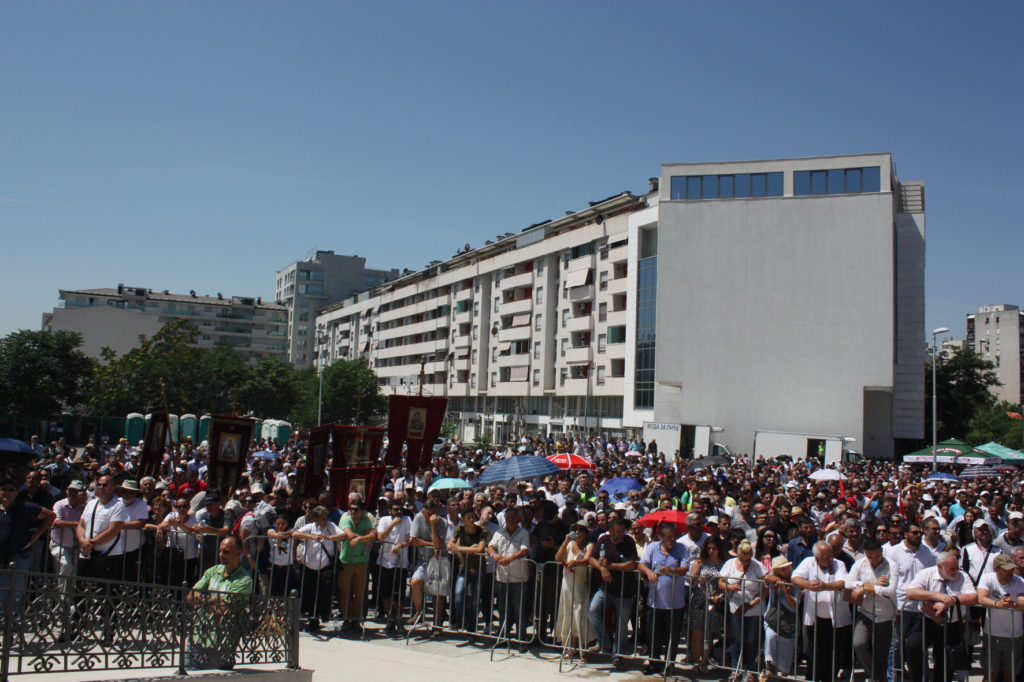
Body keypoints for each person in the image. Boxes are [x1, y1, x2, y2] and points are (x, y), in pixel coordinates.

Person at [905, 551, 978, 682]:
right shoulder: (926, 573)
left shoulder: (962, 576)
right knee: (913, 646)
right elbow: (911, 592)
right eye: (951, 569)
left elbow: (973, 596)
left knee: (945, 659)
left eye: (956, 567)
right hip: (927, 620)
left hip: (951, 624)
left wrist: (951, 600)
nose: (955, 571)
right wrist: (936, 596)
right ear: (940, 567)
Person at [186, 536, 254, 670]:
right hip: (198, 638)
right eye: (220, 551)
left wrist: (205, 599)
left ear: (238, 553)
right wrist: (215, 600)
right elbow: (190, 596)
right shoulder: (213, 571)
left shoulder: (244, 580)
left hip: (222, 644)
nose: (221, 555)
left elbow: (224, 610)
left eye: (226, 552)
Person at [791, 541, 851, 682]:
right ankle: (813, 676)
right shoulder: (809, 562)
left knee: (834, 651)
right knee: (815, 651)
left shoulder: (839, 564)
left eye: (831, 555)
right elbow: (795, 577)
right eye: (826, 557)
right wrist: (807, 585)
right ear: (817, 558)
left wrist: (826, 586)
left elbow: (843, 582)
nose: (830, 559)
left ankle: (829, 678)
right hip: (815, 615)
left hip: (835, 616)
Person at [587, 516, 640, 669]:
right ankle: (605, 642)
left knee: (622, 625)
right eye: (617, 531)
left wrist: (611, 566)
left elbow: (632, 564)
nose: (621, 534)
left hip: (625, 591)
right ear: (610, 531)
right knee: (592, 610)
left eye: (623, 531)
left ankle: (617, 654)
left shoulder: (629, 542)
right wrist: (603, 569)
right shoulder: (603, 540)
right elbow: (592, 559)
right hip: (606, 588)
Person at [638, 521, 690, 676]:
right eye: (669, 537)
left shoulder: (682, 549)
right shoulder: (653, 547)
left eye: (675, 536)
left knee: (672, 636)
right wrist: (648, 572)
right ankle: (654, 662)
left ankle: (669, 663)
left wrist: (671, 570)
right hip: (655, 601)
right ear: (661, 536)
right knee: (653, 634)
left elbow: (685, 568)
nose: (673, 540)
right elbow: (641, 564)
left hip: (675, 602)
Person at [0, 476, 55, 613]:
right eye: (4, 489)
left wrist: (35, 537)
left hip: (19, 556)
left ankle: (10, 629)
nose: (7, 492)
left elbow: (50, 516)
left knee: (14, 595)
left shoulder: (25, 507)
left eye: (11, 490)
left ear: (17, 492)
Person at [846, 538, 896, 682]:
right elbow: (849, 583)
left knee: (881, 654)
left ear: (882, 552)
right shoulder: (860, 564)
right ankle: (873, 674)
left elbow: (890, 590)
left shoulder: (891, 565)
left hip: (884, 615)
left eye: (877, 556)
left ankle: (878, 678)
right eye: (870, 557)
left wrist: (863, 588)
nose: (874, 560)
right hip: (866, 612)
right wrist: (873, 585)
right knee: (859, 643)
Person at [719, 539, 768, 682]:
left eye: (748, 560)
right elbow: (721, 583)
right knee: (736, 638)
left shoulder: (758, 566)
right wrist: (730, 587)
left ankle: (751, 669)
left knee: (751, 639)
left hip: (754, 608)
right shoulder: (729, 564)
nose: (746, 563)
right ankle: (735, 668)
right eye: (743, 560)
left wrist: (755, 601)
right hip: (736, 607)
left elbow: (765, 589)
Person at [487, 506, 531, 652]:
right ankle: (503, 637)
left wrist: (510, 559)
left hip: (519, 578)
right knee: (503, 609)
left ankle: (521, 639)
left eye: (513, 518)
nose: (510, 521)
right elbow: (490, 547)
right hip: (502, 577)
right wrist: (494, 555)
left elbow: (524, 550)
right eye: (508, 518)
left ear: (518, 519)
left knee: (520, 610)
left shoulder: (523, 533)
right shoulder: (499, 532)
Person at [291, 505, 341, 632]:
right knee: (310, 593)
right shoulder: (311, 527)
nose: (324, 521)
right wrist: (312, 537)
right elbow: (295, 533)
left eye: (326, 518)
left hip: (325, 565)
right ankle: (313, 619)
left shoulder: (330, 526)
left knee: (326, 587)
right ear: (316, 519)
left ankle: (323, 612)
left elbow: (344, 535)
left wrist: (329, 538)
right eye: (322, 519)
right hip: (309, 565)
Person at [975, 553, 1024, 682]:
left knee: (1010, 675)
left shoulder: (1019, 581)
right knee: (990, 674)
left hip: (1015, 635)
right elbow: (981, 597)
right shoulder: (988, 578)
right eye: (1007, 569)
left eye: (1012, 569)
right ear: (997, 569)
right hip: (992, 634)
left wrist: (1012, 604)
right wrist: (997, 604)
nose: (1011, 572)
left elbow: (1022, 601)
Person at [553, 522, 593, 661]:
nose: (577, 532)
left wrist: (576, 562)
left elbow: (587, 559)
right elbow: (558, 558)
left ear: (586, 532)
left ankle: (582, 650)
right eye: (575, 529)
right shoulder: (569, 544)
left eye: (581, 529)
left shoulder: (589, 545)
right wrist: (566, 541)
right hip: (567, 585)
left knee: (580, 617)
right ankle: (570, 648)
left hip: (580, 586)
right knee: (567, 615)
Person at [75, 474, 127, 581]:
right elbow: (81, 525)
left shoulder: (118, 505)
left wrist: (91, 544)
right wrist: (82, 541)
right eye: (99, 485)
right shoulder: (91, 503)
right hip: (87, 554)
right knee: (82, 590)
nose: (101, 487)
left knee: (105, 592)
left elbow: (113, 530)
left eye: (105, 485)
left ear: (113, 487)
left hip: (108, 555)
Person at [687, 536, 726, 672]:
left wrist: (720, 596)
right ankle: (697, 662)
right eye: (709, 548)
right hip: (699, 599)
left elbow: (726, 584)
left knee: (708, 634)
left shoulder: (724, 564)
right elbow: (691, 581)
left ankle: (705, 660)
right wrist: (697, 577)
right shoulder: (700, 562)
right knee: (697, 632)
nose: (711, 551)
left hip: (714, 601)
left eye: (714, 549)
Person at [375, 501, 413, 636]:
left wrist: (401, 545)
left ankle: (399, 619)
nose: (399, 512)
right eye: (396, 510)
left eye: (401, 510)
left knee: (399, 593)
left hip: (401, 561)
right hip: (385, 561)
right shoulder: (384, 520)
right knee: (386, 593)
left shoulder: (407, 520)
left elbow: (411, 538)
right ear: (390, 510)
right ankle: (389, 619)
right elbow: (380, 537)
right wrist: (392, 525)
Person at [337, 497, 375, 630]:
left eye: (356, 509)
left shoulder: (366, 520)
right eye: (351, 509)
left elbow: (372, 535)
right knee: (346, 592)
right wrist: (362, 538)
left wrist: (359, 538)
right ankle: (346, 618)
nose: (353, 512)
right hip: (346, 560)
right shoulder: (345, 519)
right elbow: (349, 534)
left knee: (359, 593)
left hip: (361, 561)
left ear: (361, 511)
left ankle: (355, 619)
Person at [764, 556, 799, 677]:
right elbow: (767, 577)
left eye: (786, 568)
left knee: (786, 648)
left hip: (790, 621)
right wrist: (778, 580)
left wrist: (785, 590)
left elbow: (794, 604)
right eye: (781, 569)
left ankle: (784, 674)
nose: (785, 570)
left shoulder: (795, 580)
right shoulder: (774, 579)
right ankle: (770, 666)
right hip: (773, 618)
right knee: (770, 636)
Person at [49, 480, 86, 591]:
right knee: (66, 565)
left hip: (76, 547)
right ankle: (62, 599)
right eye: (70, 490)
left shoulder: (85, 506)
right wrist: (77, 524)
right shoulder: (59, 504)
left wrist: (84, 502)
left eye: (75, 491)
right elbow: (56, 522)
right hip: (59, 544)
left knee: (73, 575)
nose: (72, 493)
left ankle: (69, 601)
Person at [118, 479, 149, 581]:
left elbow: (140, 523)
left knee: (131, 578)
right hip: (116, 548)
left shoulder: (141, 504)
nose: (127, 494)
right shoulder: (115, 502)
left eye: (130, 492)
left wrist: (117, 526)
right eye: (124, 491)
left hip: (134, 548)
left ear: (136, 492)